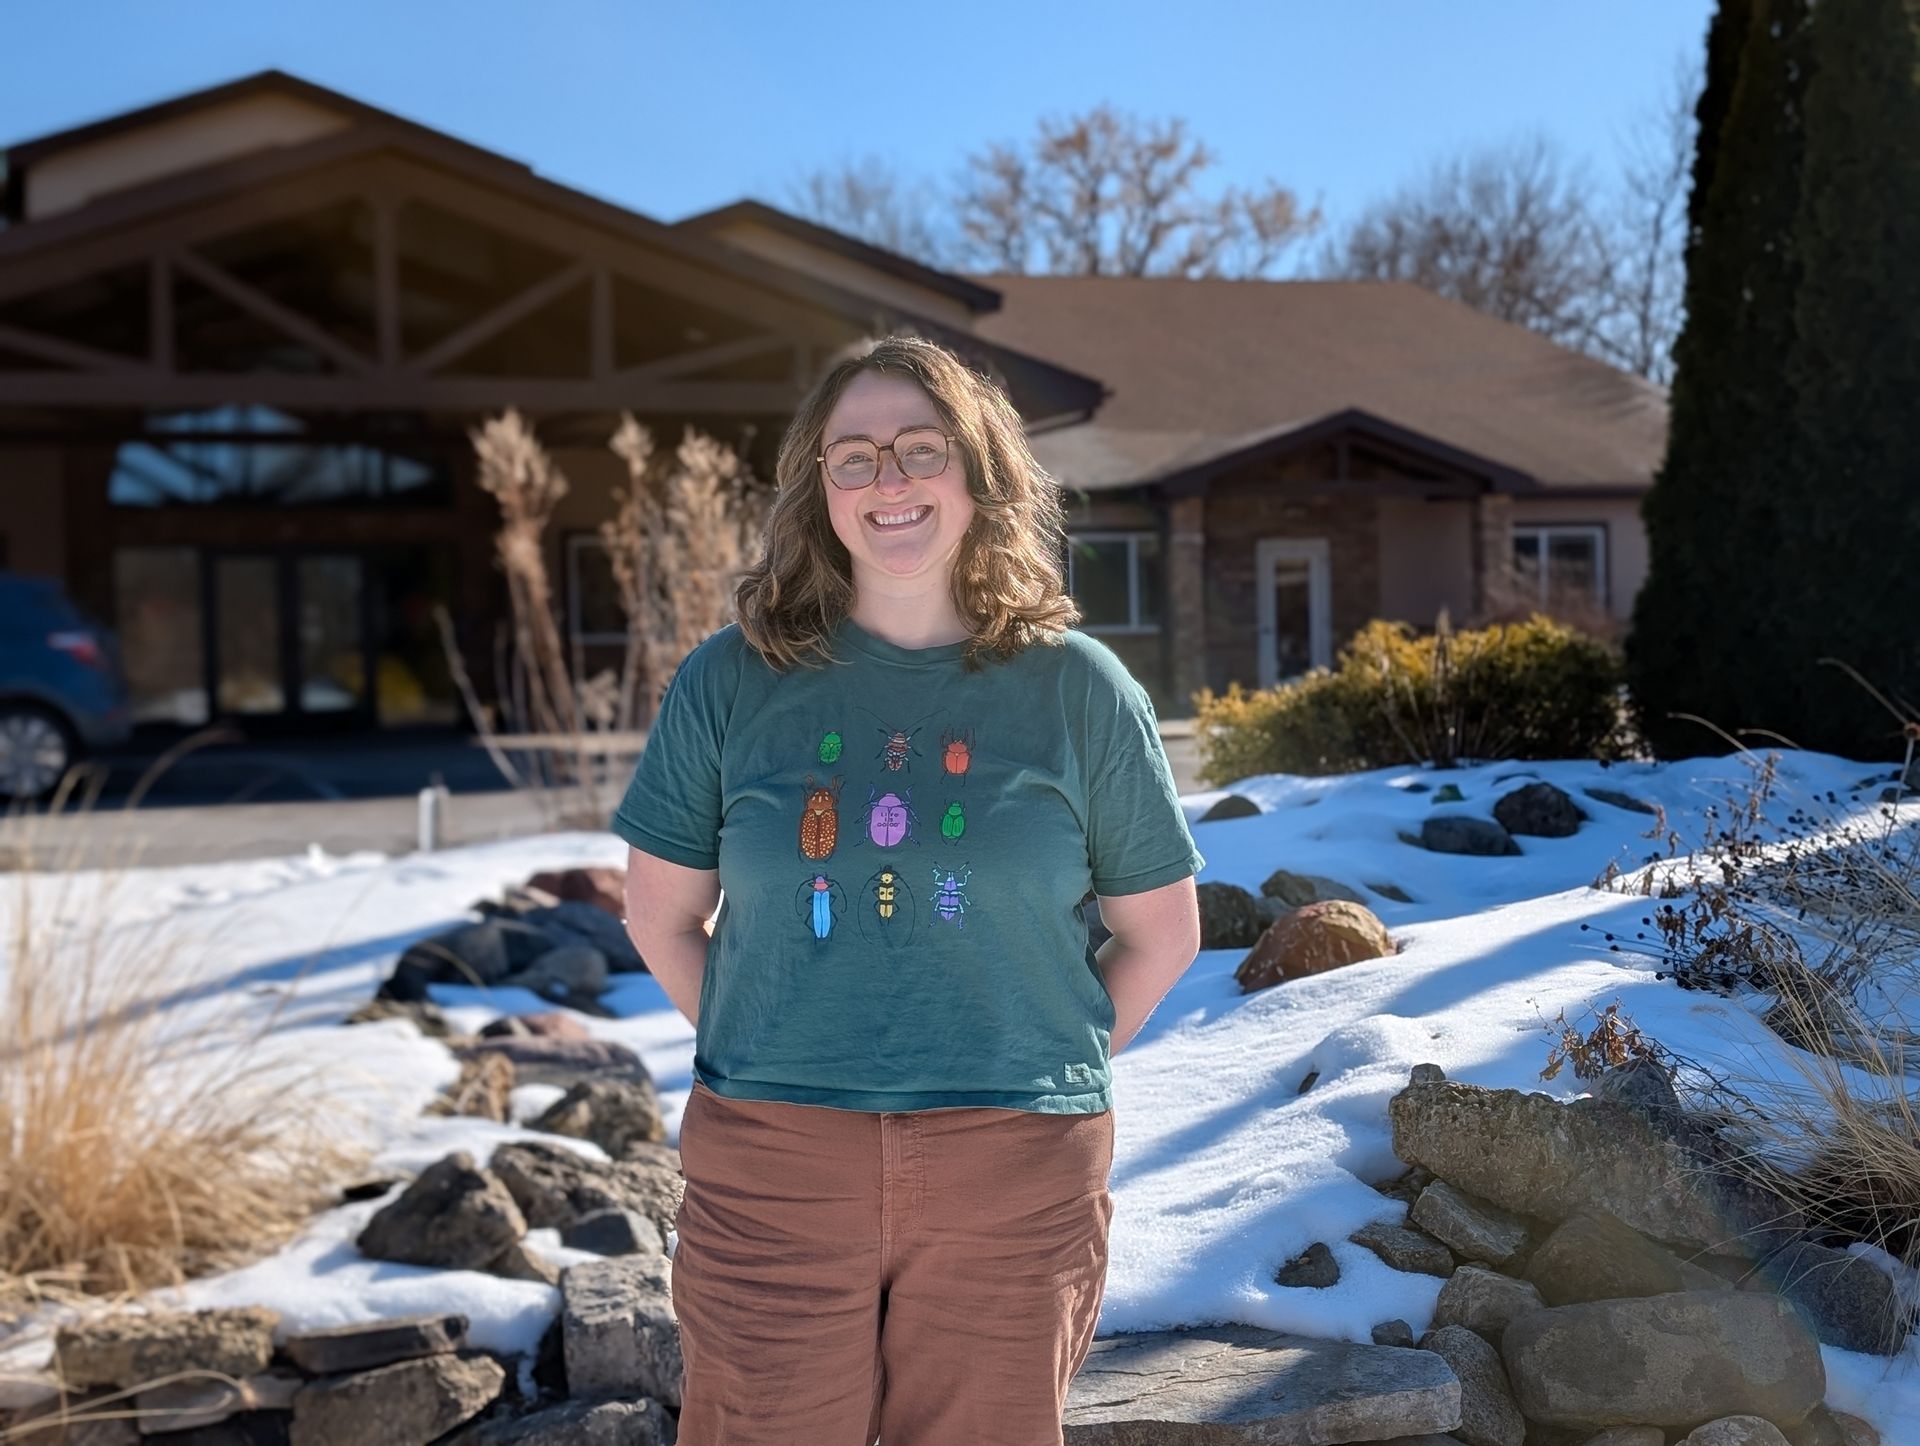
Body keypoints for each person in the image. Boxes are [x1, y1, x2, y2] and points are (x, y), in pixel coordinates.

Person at [613, 333, 1204, 1445]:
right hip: (774, 1169)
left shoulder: (1079, 689)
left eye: (919, 448)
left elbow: (1160, 933)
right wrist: (782, 1040)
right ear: (819, 488)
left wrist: (1033, 1056)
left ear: (978, 474)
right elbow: (660, 914)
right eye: (855, 456)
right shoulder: (731, 680)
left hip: (1013, 1174)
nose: (889, 481)